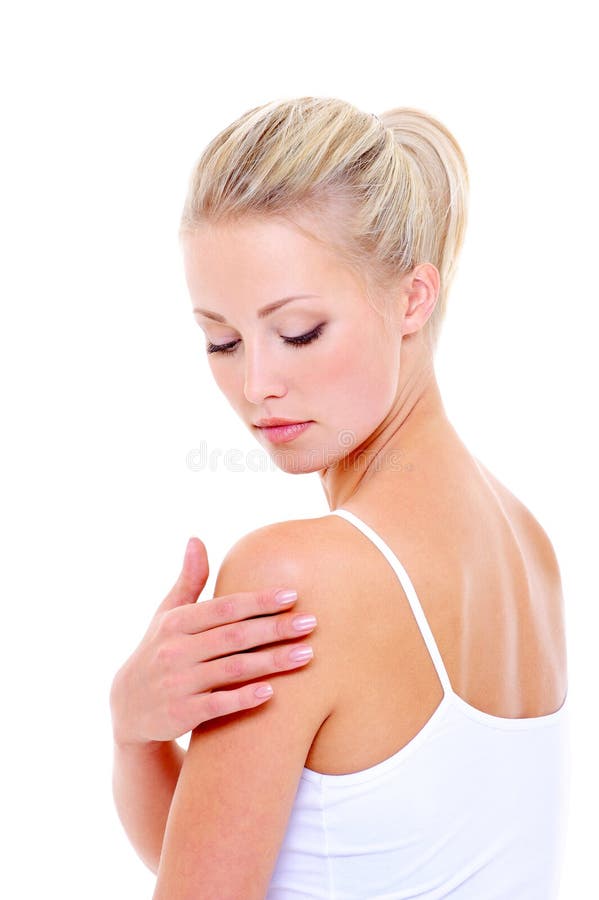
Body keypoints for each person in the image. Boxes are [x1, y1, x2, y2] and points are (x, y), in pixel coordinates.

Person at [112, 97, 571, 898]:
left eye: (296, 332)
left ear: (410, 298)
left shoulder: (299, 572)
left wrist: (125, 726)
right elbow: (299, 860)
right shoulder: (529, 546)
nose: (256, 385)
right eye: (221, 340)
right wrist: (135, 735)